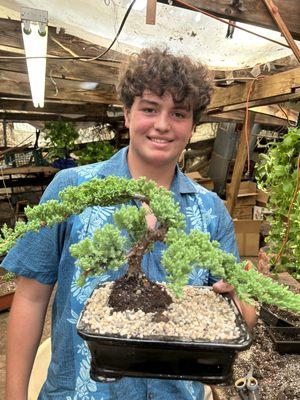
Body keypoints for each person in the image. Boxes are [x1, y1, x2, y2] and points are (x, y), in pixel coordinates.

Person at [3, 47, 256, 400]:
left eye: (179, 113)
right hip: (80, 392)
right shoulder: (74, 189)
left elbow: (239, 316)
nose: (163, 124)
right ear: (126, 113)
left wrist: (243, 301)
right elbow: (29, 299)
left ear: (192, 125)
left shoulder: (209, 209)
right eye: (150, 109)